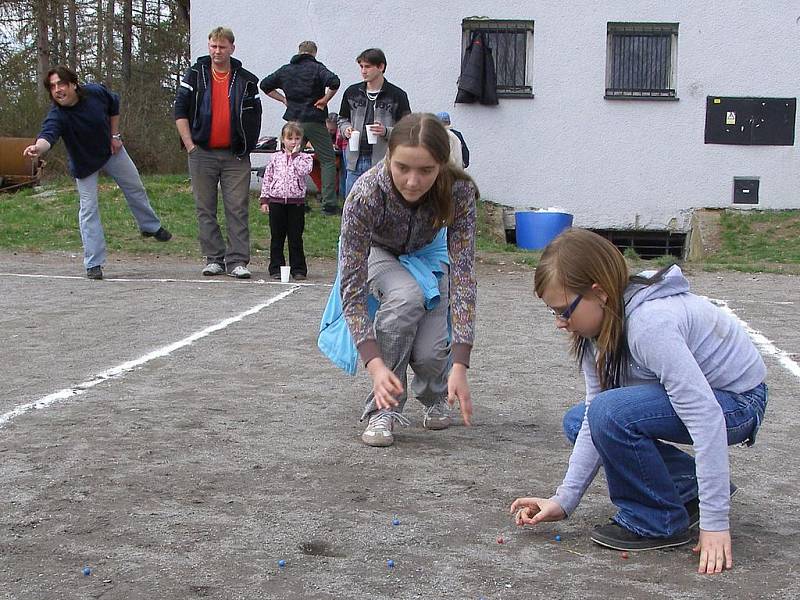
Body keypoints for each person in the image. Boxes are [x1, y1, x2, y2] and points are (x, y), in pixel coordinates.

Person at [510, 228, 768, 575]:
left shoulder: (650, 324)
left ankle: (657, 519)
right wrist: (563, 500)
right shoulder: (593, 334)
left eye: (564, 310)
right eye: (552, 312)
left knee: (609, 414)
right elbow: (593, 417)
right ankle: (683, 490)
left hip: (737, 402)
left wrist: (715, 524)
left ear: (598, 293)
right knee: (584, 420)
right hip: (710, 401)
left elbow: (706, 417)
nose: (560, 323)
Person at [336, 113, 478, 447]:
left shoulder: (459, 192)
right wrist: (374, 364)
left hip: (429, 254)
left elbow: (464, 276)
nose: (413, 181)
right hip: (379, 252)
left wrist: (460, 363)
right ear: (388, 157)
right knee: (405, 296)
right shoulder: (366, 193)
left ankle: (434, 394)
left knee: (431, 354)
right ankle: (382, 408)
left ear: (442, 165)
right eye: (402, 168)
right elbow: (352, 289)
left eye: (426, 170)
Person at [23, 66, 171, 280]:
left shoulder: (95, 93)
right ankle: (94, 263)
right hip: (84, 163)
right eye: (53, 87)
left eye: (61, 84)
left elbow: (114, 106)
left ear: (73, 84)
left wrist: (115, 135)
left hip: (111, 151)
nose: (57, 90)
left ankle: (150, 226)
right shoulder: (58, 115)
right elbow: (48, 135)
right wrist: (38, 148)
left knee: (135, 187)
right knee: (88, 209)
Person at [174, 26, 262, 279]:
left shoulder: (246, 80)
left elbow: (255, 117)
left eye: (222, 47)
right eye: (213, 46)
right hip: (202, 152)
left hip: (235, 155)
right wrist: (190, 145)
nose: (217, 51)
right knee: (205, 207)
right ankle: (214, 258)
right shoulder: (194, 75)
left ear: (232, 48)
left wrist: (246, 146)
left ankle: (237, 261)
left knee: (237, 207)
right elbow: (180, 110)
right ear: (208, 46)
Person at [260, 41, 340, 216]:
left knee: (291, 160)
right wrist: (325, 99)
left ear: (299, 52)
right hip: (314, 119)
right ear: (314, 53)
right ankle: (329, 204)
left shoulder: (286, 69)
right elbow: (334, 82)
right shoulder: (317, 68)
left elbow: (264, 85)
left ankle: (296, 201)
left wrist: (283, 99)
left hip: (294, 122)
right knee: (327, 160)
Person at [337, 48, 411, 198]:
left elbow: (408, 128)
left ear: (381, 67)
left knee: (382, 205)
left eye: (368, 66)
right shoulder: (352, 92)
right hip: (354, 159)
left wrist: (386, 131)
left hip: (383, 160)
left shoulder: (397, 95)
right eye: (361, 67)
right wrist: (346, 130)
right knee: (353, 204)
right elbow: (342, 118)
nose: (363, 71)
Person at [259, 122, 313, 280]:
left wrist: (295, 156)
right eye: (290, 138)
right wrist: (265, 200)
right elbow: (268, 178)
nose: (293, 142)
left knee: (295, 237)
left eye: (297, 138)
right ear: (283, 140)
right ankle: (276, 267)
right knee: (277, 236)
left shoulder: (305, 158)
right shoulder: (275, 158)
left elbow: (305, 171)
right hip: (276, 202)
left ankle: (298, 268)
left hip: (296, 203)